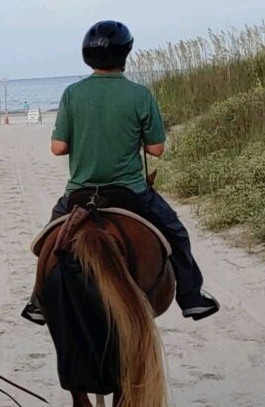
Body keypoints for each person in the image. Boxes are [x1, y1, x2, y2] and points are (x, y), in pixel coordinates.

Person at [21, 21, 219, 324]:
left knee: (48, 242)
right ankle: (191, 298)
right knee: (176, 233)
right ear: (124, 55)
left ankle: (38, 300)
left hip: (79, 194)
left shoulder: (72, 94)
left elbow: (58, 148)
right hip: (131, 192)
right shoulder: (140, 94)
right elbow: (156, 150)